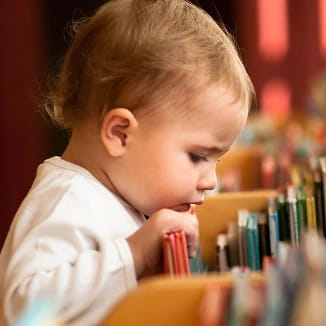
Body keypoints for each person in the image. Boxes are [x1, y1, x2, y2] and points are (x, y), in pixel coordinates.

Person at [0, 0, 254, 324]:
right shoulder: (64, 202)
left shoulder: (121, 196)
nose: (210, 181)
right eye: (198, 157)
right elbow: (22, 309)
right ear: (121, 135)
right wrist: (133, 253)